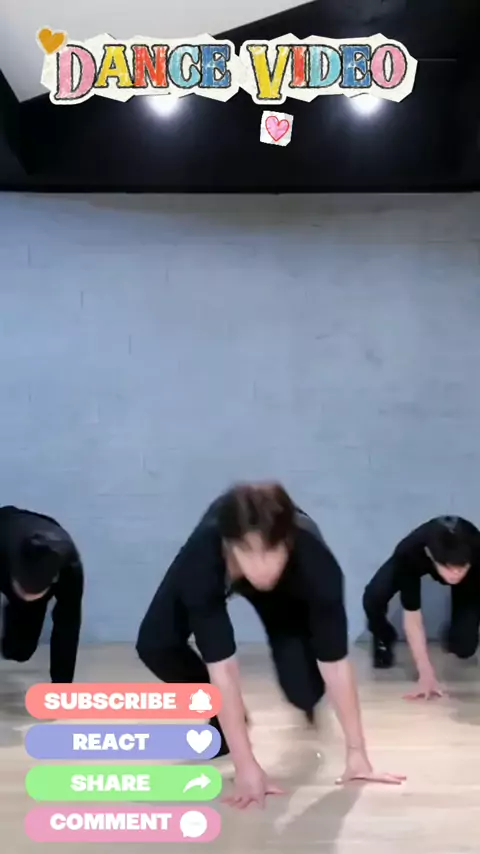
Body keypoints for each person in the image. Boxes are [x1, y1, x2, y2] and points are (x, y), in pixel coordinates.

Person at [137, 483, 404, 808]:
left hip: (286, 590)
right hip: (214, 565)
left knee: (303, 690)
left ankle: (299, 701)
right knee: (156, 644)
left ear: (288, 541)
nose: (262, 567)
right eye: (248, 553)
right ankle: (225, 717)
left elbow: (335, 663)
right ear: (229, 545)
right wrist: (245, 766)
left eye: (271, 551)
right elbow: (223, 668)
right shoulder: (203, 558)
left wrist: (357, 754)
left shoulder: (315, 561)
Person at [363, 515, 480, 698]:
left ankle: (453, 636)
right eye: (449, 568)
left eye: (461, 568)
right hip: (414, 559)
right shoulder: (410, 551)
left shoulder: (477, 548)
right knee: (373, 596)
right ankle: (384, 635)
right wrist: (426, 674)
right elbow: (412, 617)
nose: (456, 574)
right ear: (432, 557)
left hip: (471, 573)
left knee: (464, 647)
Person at [0, 505, 84, 683]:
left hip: (41, 543)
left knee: (22, 652)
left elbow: (68, 627)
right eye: (23, 591)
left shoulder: (70, 570)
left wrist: (62, 689)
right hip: (5, 532)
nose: (26, 596)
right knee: (13, 647)